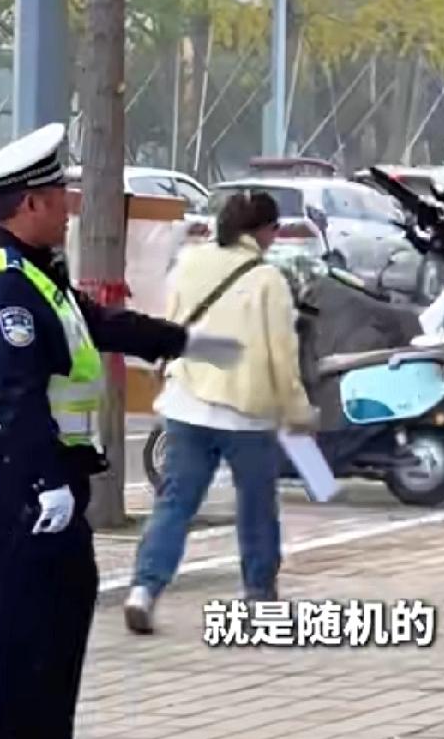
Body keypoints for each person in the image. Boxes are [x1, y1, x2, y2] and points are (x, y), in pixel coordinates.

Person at [0, 122, 242, 739]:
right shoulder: (0, 286)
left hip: (50, 468)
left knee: (63, 600)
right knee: (2, 611)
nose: (68, 211)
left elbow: (98, 324)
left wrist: (189, 343)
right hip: (17, 471)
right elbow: (18, 394)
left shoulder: (33, 271)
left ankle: (40, 734)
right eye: (59, 199)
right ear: (29, 204)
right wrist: (46, 480)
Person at [123, 191, 318, 634]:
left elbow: (171, 325)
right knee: (256, 505)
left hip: (187, 402)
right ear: (263, 231)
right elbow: (282, 356)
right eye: (274, 229)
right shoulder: (268, 280)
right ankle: (258, 597)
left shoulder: (190, 261)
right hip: (246, 413)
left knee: (175, 502)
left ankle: (144, 590)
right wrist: (298, 411)